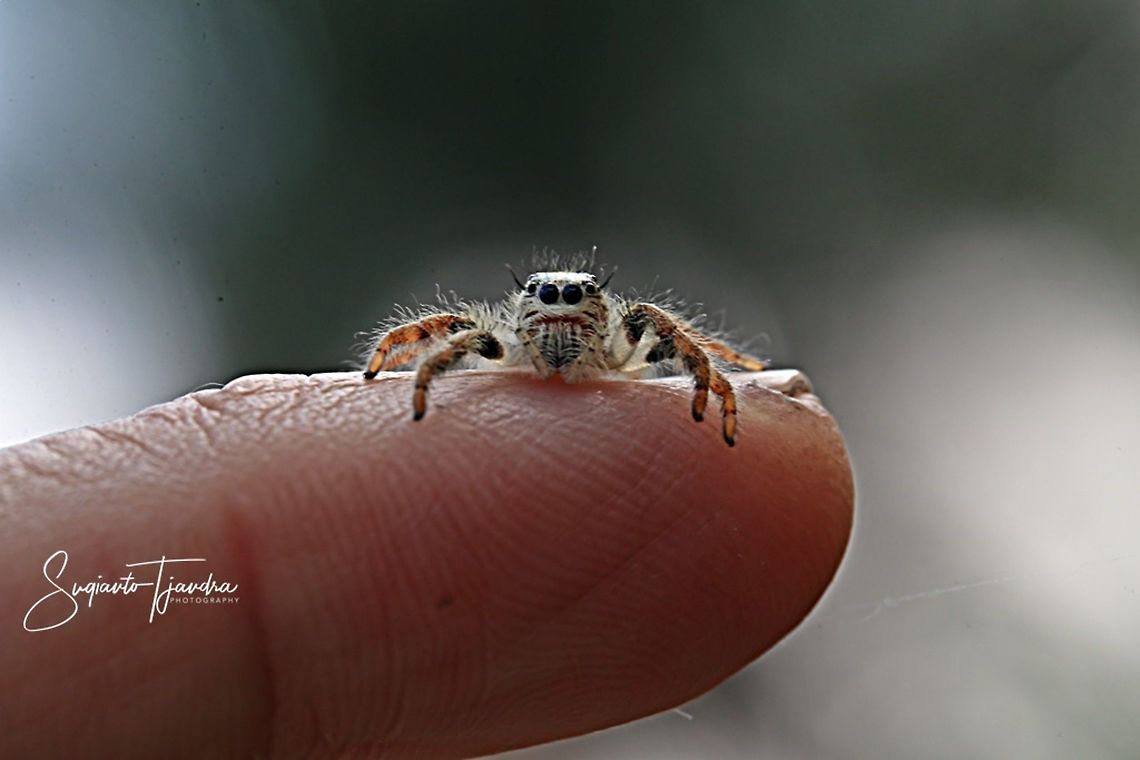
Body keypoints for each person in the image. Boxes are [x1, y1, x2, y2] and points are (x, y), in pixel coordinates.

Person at [0, 371, 852, 757]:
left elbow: (668, 337)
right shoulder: (501, 341)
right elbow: (434, 344)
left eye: (577, 304)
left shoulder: (623, 333)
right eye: (545, 303)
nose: (561, 318)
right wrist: (408, 385)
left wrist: (723, 381)